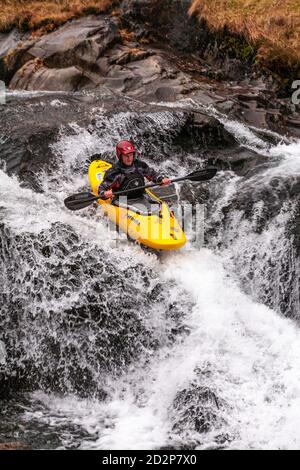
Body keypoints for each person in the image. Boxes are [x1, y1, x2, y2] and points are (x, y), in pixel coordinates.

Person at [98, 140, 171, 200]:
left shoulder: (139, 165)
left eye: (131, 155)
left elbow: (152, 174)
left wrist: (161, 179)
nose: (129, 158)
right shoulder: (115, 172)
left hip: (141, 196)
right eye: (126, 156)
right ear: (120, 156)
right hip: (122, 200)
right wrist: (104, 193)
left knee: (157, 209)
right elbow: (102, 188)